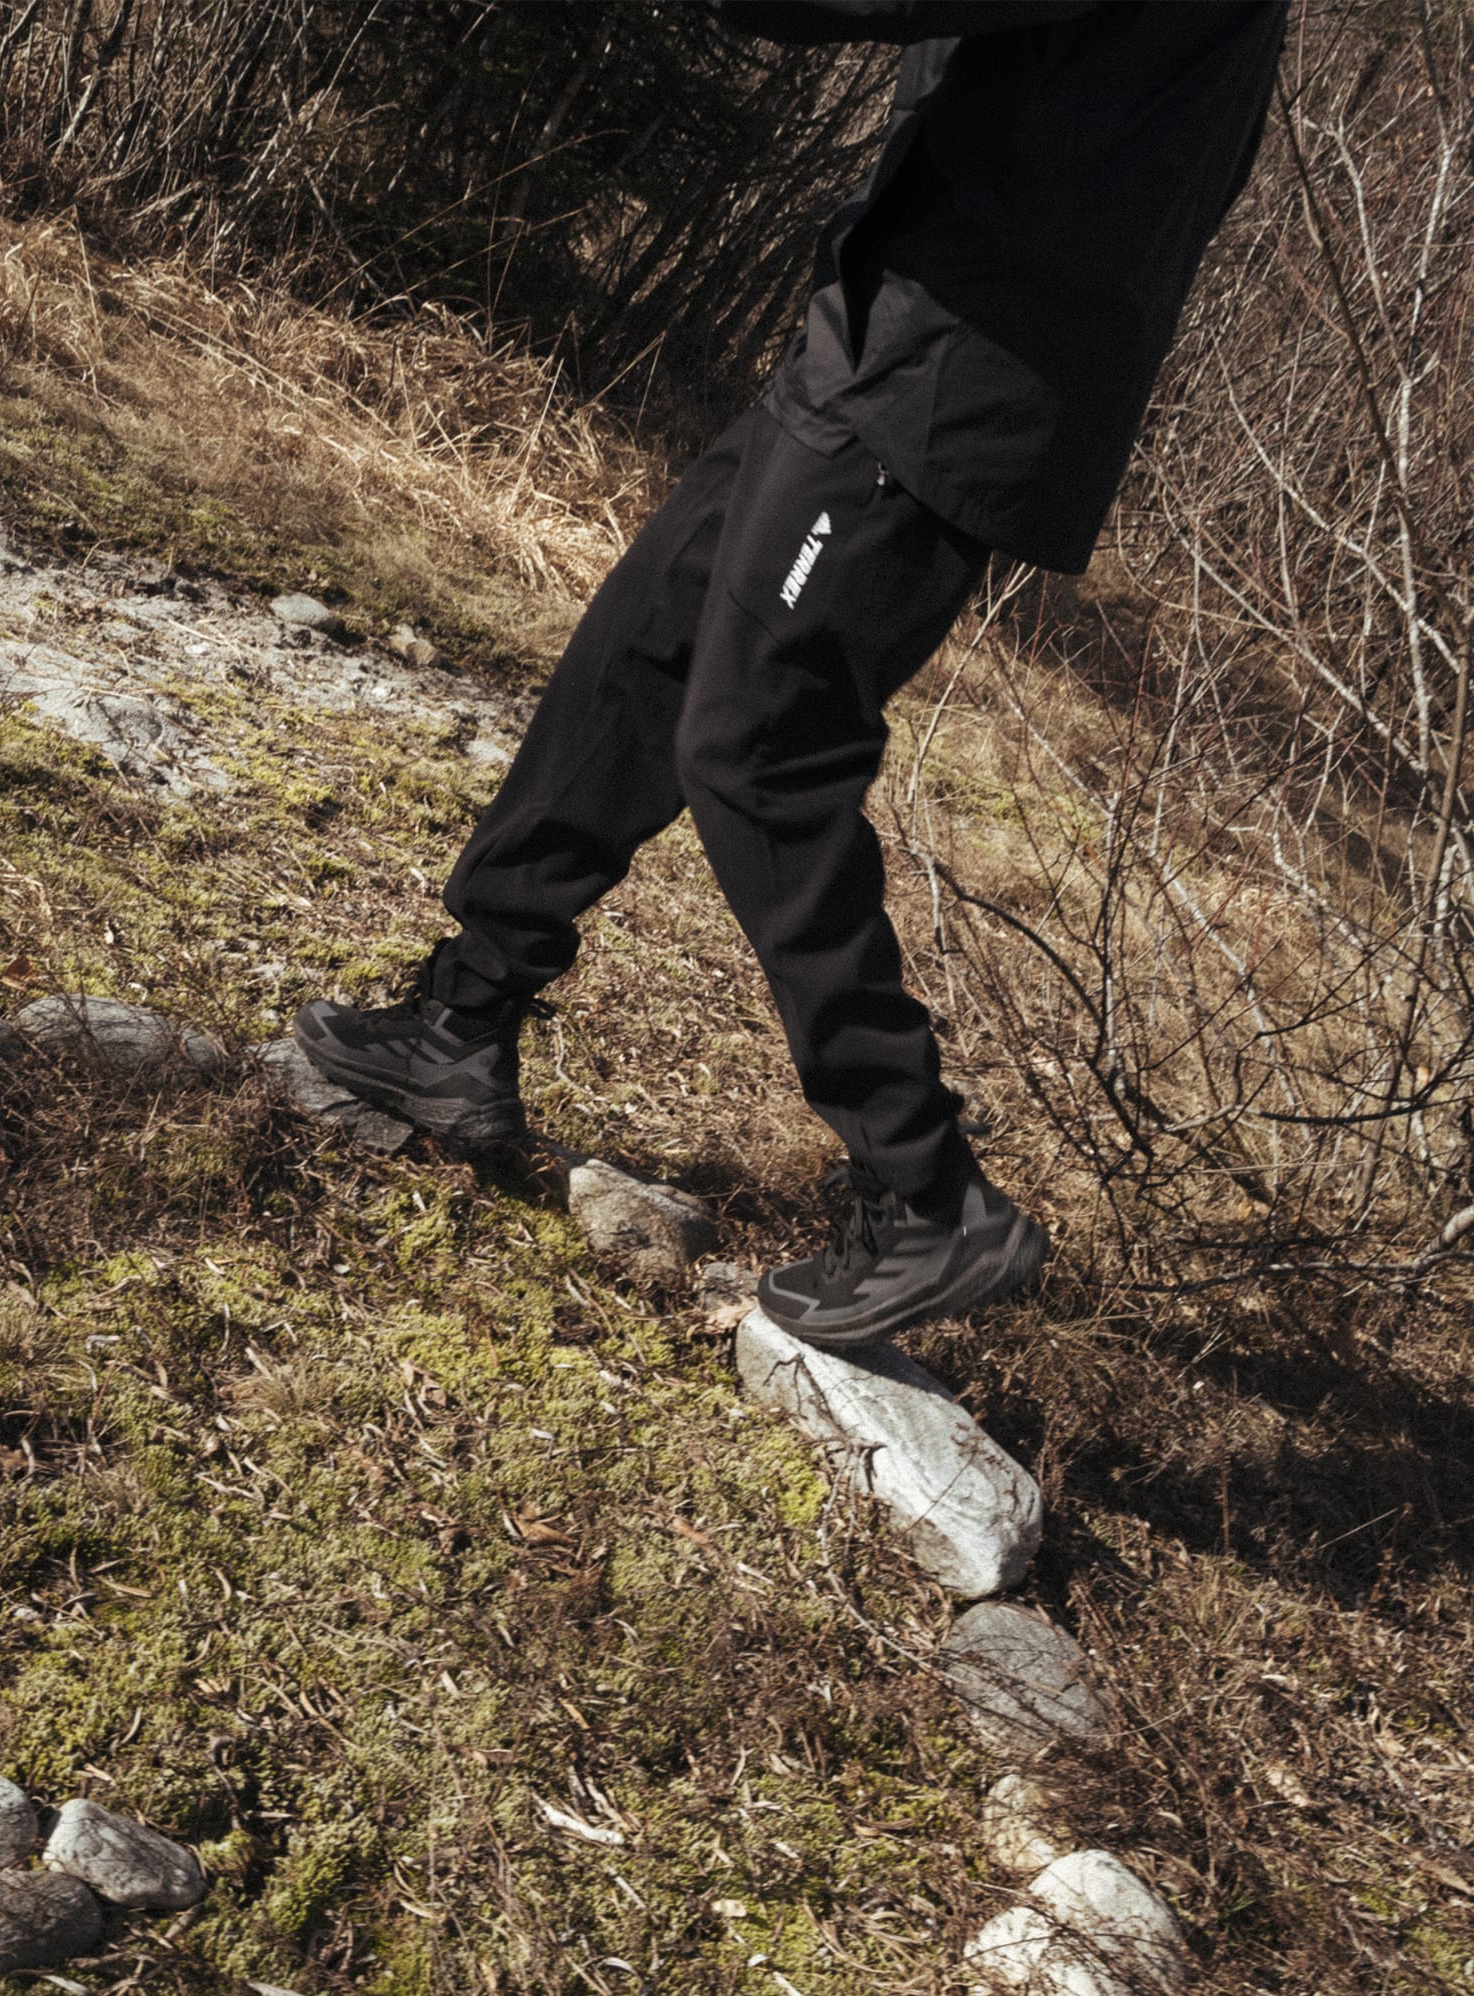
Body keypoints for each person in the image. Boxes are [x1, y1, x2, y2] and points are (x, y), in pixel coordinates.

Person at [295, 2, 1288, 1349]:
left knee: (760, 746)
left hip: (946, 377)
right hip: (877, 333)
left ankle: (926, 1192)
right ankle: (460, 1023)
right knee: (641, 651)